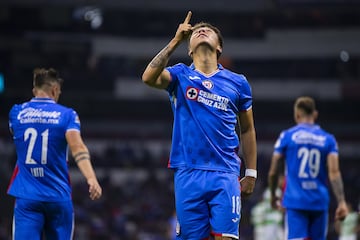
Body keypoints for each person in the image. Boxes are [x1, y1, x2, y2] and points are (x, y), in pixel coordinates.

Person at [141, 11, 257, 240]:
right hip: (188, 172)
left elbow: (247, 129)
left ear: (219, 47)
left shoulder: (238, 82)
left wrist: (251, 173)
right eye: (196, 32)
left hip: (225, 172)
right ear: (190, 50)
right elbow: (148, 78)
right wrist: (175, 40)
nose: (201, 30)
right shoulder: (179, 75)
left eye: (209, 30)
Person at [7, 68, 102, 240]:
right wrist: (91, 178)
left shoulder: (16, 113)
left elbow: (17, 134)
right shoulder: (67, 115)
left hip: (27, 197)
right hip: (58, 197)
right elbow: (78, 148)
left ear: (34, 90)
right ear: (55, 90)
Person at [268, 96, 348, 240]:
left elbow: (274, 170)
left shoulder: (287, 136)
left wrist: (274, 194)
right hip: (319, 201)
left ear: (297, 115)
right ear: (315, 114)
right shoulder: (328, 139)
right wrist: (341, 201)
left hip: (295, 201)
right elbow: (334, 173)